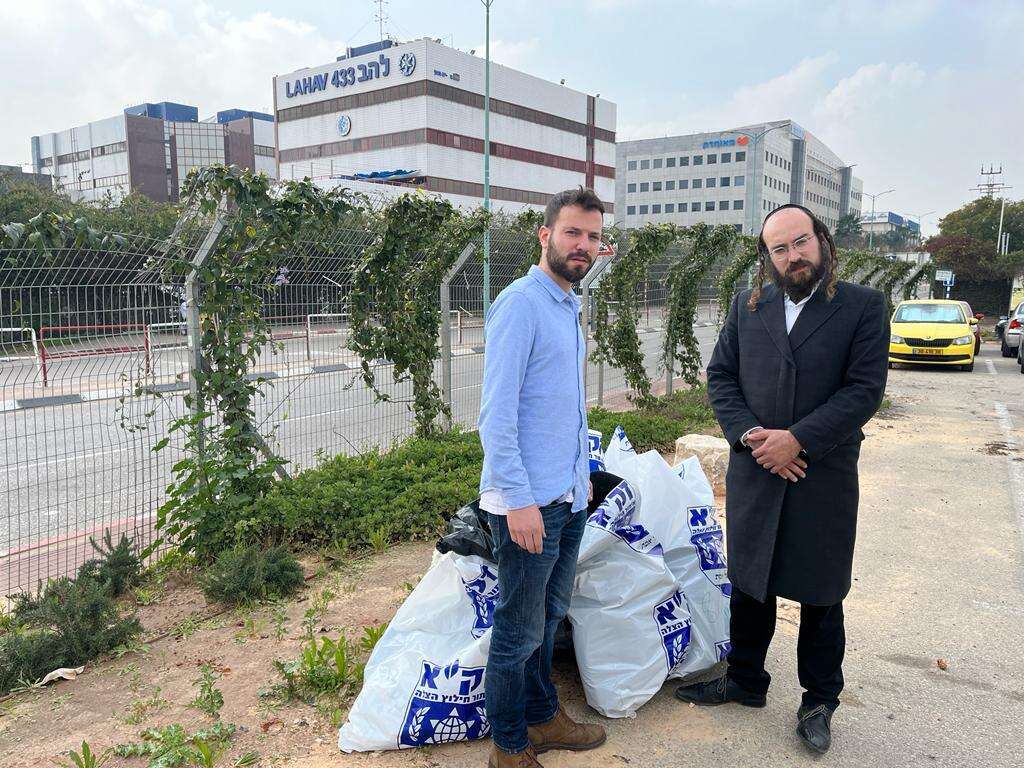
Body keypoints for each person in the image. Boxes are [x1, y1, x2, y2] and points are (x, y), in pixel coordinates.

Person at [675, 204, 889, 754]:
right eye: (780, 248)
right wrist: (752, 437)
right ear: (765, 256)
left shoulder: (862, 306)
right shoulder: (749, 306)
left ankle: (820, 698)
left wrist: (798, 440)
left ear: (821, 240)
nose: (793, 256)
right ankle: (745, 680)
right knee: (750, 580)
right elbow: (721, 376)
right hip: (757, 468)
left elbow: (863, 391)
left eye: (800, 242)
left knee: (821, 590)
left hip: (823, 471)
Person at [478, 187, 608, 768]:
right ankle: (508, 747)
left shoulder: (567, 303)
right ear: (545, 235)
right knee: (517, 630)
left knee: (549, 619)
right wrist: (518, 502)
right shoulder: (520, 304)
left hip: (569, 495)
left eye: (593, 237)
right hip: (532, 503)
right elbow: (496, 416)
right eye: (572, 233)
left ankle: (542, 718)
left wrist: (580, 488)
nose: (583, 245)